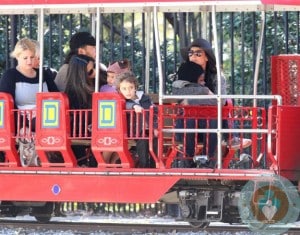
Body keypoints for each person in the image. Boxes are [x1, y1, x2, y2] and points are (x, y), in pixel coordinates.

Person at [172, 61, 218, 168]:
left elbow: (215, 101)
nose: (203, 83)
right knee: (190, 119)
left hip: (204, 128)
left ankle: (208, 160)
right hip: (185, 128)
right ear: (192, 77)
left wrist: (191, 101)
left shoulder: (204, 88)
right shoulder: (178, 86)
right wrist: (204, 92)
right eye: (201, 80)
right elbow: (180, 98)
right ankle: (189, 160)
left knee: (213, 120)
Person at [116, 71, 158, 168]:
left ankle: (154, 165)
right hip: (133, 130)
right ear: (119, 90)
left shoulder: (144, 98)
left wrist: (155, 127)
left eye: (131, 88)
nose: (128, 91)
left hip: (148, 128)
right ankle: (144, 166)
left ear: (135, 87)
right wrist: (134, 106)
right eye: (124, 89)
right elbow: (126, 105)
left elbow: (154, 112)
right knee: (142, 141)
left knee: (155, 140)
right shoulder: (122, 100)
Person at [64, 54, 96, 166]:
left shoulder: (94, 84)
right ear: (82, 74)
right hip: (80, 131)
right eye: (91, 71)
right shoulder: (73, 94)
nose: (95, 73)